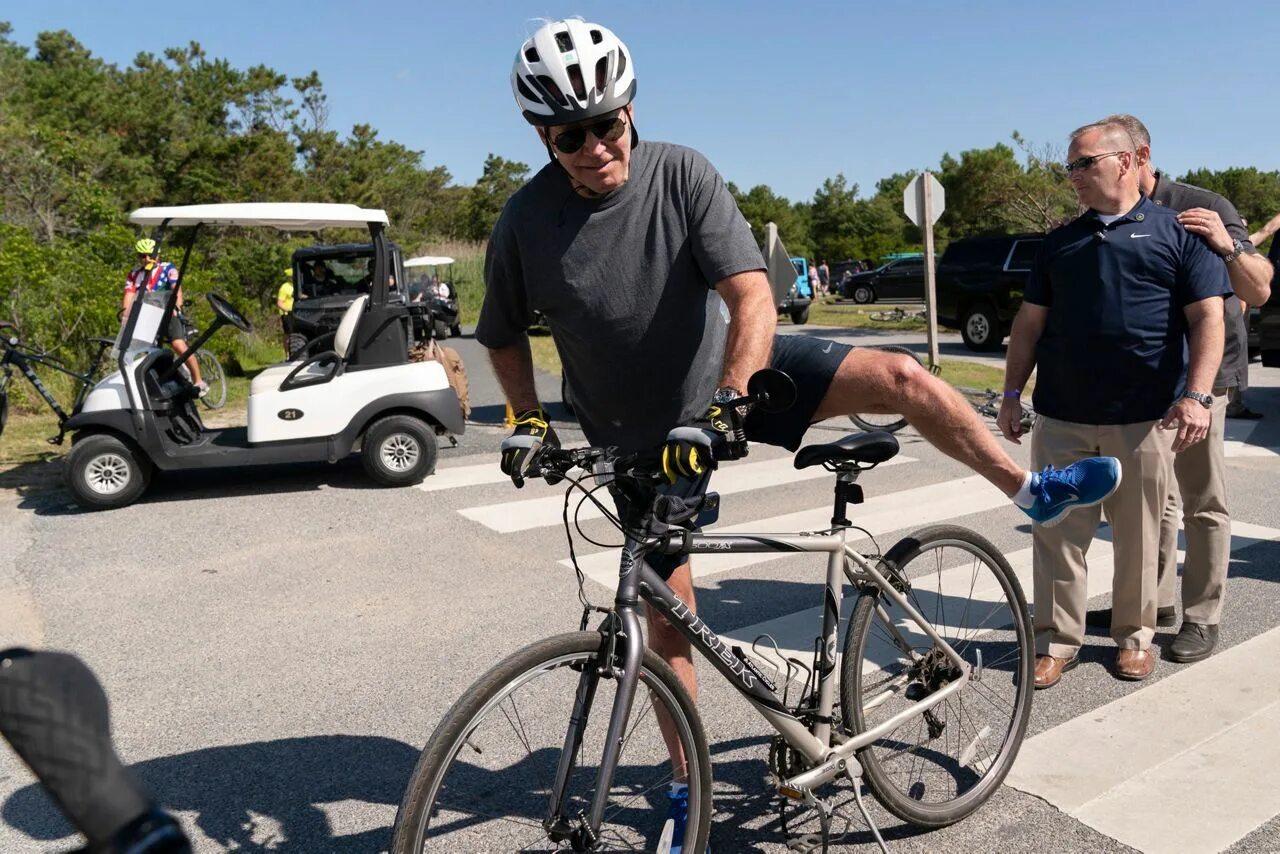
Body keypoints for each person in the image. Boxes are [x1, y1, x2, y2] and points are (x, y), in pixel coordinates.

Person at [479, 19, 1121, 845]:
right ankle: (685, 796)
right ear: (542, 135)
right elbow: (498, 332)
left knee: (905, 378)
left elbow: (749, 293)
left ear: (631, 110)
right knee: (665, 625)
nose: (599, 146)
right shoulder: (524, 221)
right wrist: (527, 418)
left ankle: (1029, 490)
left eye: (610, 123)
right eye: (574, 136)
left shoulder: (681, 174)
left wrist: (728, 400)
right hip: (639, 441)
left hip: (728, 389)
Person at [999, 119, 1231, 688]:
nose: (1073, 175)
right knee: (1057, 532)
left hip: (1144, 418)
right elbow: (1029, 325)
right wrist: (1010, 394)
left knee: (1141, 535)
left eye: (1085, 163)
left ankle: (1135, 639)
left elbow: (1209, 319)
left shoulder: (1178, 234)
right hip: (1062, 417)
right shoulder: (1059, 241)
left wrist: (1197, 396)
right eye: (1070, 166)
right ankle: (1057, 640)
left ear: (1127, 161)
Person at [1080, 114, 1273, 664]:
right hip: (1143, 384)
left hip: (1202, 378)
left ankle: (1201, 615)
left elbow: (1257, 290)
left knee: (1200, 499)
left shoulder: (1201, 204)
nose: (1087, 179)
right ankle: (1155, 603)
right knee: (1151, 504)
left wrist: (1225, 244)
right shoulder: (1106, 213)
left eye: (1095, 164)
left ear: (1136, 157)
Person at [123, 238, 205, 395]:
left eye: (150, 255)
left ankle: (199, 381)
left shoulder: (168, 268)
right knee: (149, 352)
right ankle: (163, 386)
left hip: (168, 312)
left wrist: (177, 305)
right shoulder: (134, 274)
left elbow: (176, 288)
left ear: (157, 256)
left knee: (178, 345)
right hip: (149, 317)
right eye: (142, 255)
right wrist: (125, 315)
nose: (146, 259)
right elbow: (129, 294)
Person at [276, 266, 295, 351]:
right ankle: (287, 353)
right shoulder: (285, 287)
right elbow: (279, 302)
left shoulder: (298, 286)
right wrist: (288, 310)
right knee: (288, 334)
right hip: (287, 314)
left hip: (297, 313)